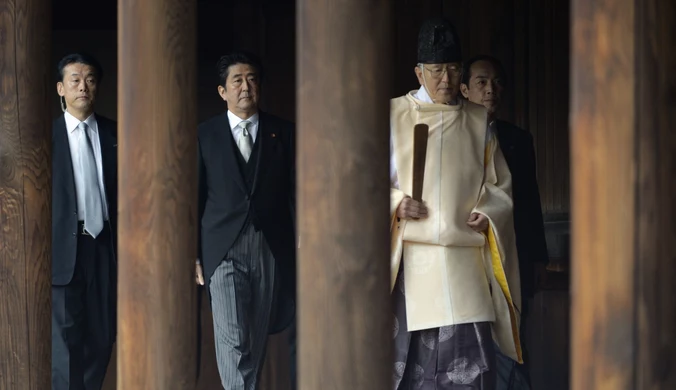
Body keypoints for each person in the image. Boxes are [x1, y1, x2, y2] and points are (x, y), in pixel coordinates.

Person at [390, 18, 522, 389]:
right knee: (412, 367)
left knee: (473, 367)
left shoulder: (478, 120)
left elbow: (499, 185)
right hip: (412, 259)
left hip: (465, 260)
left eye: (452, 70)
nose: (446, 80)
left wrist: (489, 210)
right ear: (418, 72)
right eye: (436, 71)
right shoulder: (393, 115)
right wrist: (396, 203)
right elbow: (363, 185)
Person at [196, 51, 296, 390]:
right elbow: (193, 198)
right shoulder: (205, 136)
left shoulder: (283, 133)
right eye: (237, 80)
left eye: (252, 79)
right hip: (221, 249)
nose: (245, 87)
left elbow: (297, 192)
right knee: (233, 338)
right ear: (222, 91)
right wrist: (193, 252)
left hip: (270, 246)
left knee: (254, 339)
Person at [461, 55, 549, 389]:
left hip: (514, 255)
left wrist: (538, 257)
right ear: (465, 88)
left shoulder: (518, 139)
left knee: (514, 341)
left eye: (497, 82)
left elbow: (529, 201)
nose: (490, 90)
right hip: (468, 257)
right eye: (481, 82)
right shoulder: (452, 135)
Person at [51, 53, 118, 389]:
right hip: (63, 250)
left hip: (105, 247)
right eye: (74, 79)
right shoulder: (43, 137)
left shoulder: (115, 134)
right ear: (60, 88)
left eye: (90, 79)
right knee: (63, 346)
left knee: (103, 338)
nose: (83, 85)